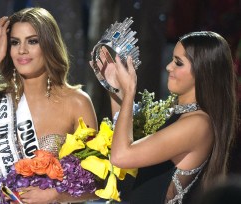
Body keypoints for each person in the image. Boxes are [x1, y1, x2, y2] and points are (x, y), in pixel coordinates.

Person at [0, 7, 98, 204]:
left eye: (32, 41)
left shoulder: (77, 102)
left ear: (48, 45)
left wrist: (55, 195)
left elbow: (97, 182)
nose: (22, 50)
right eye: (14, 42)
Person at [98, 31, 237, 203]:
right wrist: (117, 89)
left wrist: (129, 93)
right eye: (172, 59)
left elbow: (121, 157)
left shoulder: (197, 124)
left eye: (178, 63)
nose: (169, 67)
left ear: (202, 71)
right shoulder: (181, 114)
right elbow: (125, 142)